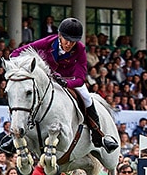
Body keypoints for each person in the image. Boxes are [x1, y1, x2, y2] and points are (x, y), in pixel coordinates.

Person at [10, 17, 118, 152]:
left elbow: (80, 78)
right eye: (67, 40)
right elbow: (18, 52)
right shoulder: (48, 42)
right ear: (60, 35)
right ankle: (13, 134)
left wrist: (67, 83)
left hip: (70, 80)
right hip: (48, 78)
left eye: (73, 41)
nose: (69, 44)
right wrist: (16, 65)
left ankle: (98, 134)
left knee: (87, 98)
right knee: (23, 95)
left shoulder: (80, 48)